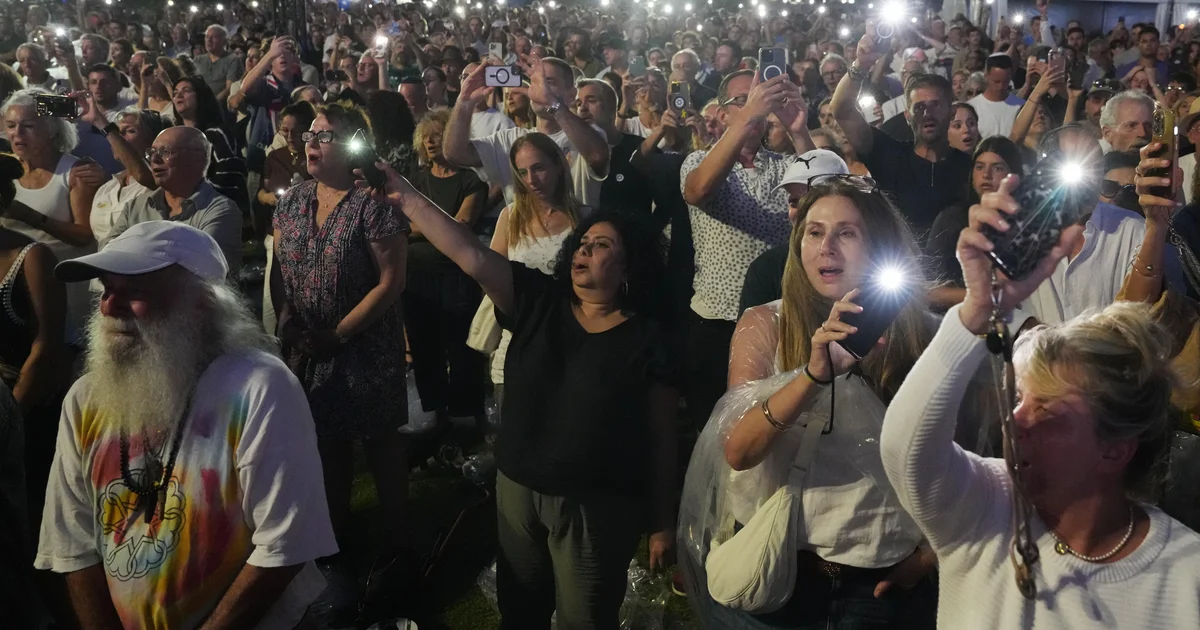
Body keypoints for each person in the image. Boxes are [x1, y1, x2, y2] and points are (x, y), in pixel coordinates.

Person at [363, 157, 679, 629]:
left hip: (596, 506)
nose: (584, 250)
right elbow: (468, 252)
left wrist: (662, 521)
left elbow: (663, 439)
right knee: (520, 609)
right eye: (583, 243)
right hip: (517, 491)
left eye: (602, 245)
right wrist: (406, 196)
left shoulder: (648, 338)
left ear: (630, 264)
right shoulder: (537, 299)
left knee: (585, 618)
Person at [880, 182, 1200, 627]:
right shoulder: (984, 507)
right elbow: (903, 449)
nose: (1015, 420)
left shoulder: (1185, 577)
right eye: (1018, 399)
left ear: (1115, 448)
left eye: (1046, 408)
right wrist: (978, 309)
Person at [36, 221, 338, 628]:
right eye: (107, 289)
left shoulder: (257, 386)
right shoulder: (85, 399)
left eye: (136, 291)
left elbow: (285, 544)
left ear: (202, 304)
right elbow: (73, 544)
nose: (109, 306)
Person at [681, 177, 950, 629]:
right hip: (776, 571)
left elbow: (965, 451)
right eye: (814, 232)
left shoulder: (921, 334)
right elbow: (738, 451)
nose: (827, 247)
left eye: (847, 233)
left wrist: (927, 556)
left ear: (880, 245)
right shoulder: (766, 324)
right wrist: (812, 376)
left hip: (879, 586)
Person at [270, 102, 411, 613]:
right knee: (326, 440)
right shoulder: (291, 201)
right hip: (310, 343)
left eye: (326, 135)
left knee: (379, 440)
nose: (312, 141)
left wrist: (342, 332)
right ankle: (335, 537)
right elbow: (279, 266)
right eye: (310, 133)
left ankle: (397, 539)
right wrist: (285, 317)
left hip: (365, 343)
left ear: (354, 144)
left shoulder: (373, 204)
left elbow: (392, 281)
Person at [680, 68, 811, 427]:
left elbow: (831, 199)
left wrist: (799, 131)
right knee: (717, 431)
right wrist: (750, 116)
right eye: (743, 99)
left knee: (775, 428)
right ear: (722, 115)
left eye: (761, 98)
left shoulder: (785, 165)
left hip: (781, 317)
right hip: (717, 322)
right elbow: (698, 190)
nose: (756, 105)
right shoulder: (697, 161)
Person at [833, 38, 971, 242]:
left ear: (951, 113)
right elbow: (842, 110)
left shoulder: (969, 167)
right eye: (919, 108)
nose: (928, 114)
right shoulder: (888, 155)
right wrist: (861, 64)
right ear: (908, 117)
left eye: (936, 105)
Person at [406, 109, 488, 424]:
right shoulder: (415, 180)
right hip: (417, 277)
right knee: (425, 347)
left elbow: (462, 225)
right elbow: (402, 224)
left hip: (455, 275)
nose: (430, 141)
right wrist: (437, 227)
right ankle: (433, 417)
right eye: (425, 135)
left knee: (461, 346)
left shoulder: (470, 180)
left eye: (438, 134)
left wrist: (420, 226)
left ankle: (466, 418)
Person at [1, 89, 102, 345]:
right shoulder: (5, 169)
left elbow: (84, 234)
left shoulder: (76, 171)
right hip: (15, 291)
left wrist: (30, 217)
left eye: (28, 126)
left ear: (51, 130)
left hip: (65, 289)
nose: (17, 134)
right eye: (11, 126)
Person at [445, 57, 610, 207]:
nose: (540, 88)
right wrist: (464, 102)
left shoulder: (589, 134)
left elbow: (597, 156)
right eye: (535, 81)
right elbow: (455, 153)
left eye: (549, 82)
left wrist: (553, 104)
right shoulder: (509, 139)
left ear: (571, 94)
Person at [108, 126, 243, 277]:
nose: (154, 159)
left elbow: (199, 270)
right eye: (152, 152)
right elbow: (108, 256)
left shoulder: (221, 211)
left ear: (198, 159)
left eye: (165, 152)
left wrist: (135, 257)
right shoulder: (135, 207)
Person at [737, 150, 850, 314]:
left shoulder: (872, 260)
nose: (802, 210)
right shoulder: (767, 268)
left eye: (812, 199)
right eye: (794, 201)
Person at [925, 137, 1025, 310]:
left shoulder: (1028, 221)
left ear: (1014, 177)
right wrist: (986, 296)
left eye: (997, 168)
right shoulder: (952, 219)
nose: (986, 174)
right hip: (962, 320)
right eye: (979, 167)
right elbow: (929, 291)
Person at [87, 108, 169, 248]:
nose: (119, 137)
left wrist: (100, 122)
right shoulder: (106, 187)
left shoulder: (162, 179)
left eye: (130, 131)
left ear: (153, 141)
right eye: (118, 132)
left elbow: (143, 175)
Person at [172, 76, 249, 212]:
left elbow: (230, 176)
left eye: (186, 90)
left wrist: (196, 199)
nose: (179, 95)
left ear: (201, 97)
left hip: (217, 210)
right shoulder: (174, 140)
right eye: (175, 93)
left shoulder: (217, 134)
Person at [968, 53, 1026, 139]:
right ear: (986, 76)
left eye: (1005, 82)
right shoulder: (971, 108)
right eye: (996, 81)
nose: (1001, 86)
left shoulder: (1021, 106)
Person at [195, 25, 243, 105]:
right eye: (207, 37)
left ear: (224, 41)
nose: (209, 40)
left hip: (221, 107)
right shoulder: (198, 60)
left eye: (214, 37)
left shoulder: (233, 60)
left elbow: (229, 88)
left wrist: (212, 105)